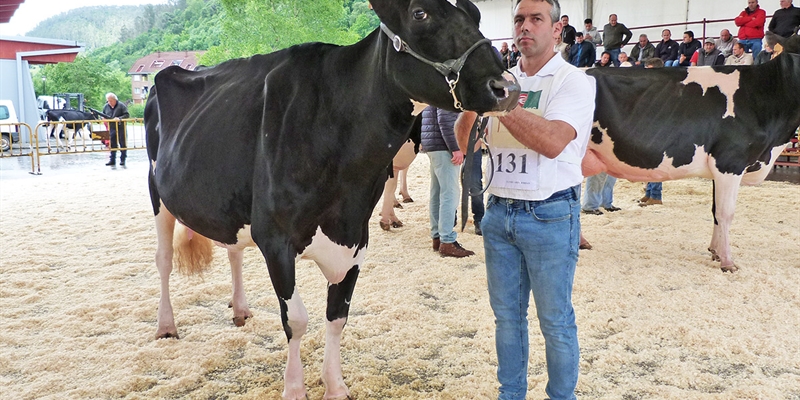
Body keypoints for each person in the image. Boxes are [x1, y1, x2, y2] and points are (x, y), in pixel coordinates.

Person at [454, 0, 595, 397]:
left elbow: (552, 141)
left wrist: (499, 101)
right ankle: (510, 393)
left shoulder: (572, 81)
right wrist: (471, 99)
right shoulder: (502, 77)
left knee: (555, 320)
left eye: (536, 19)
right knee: (507, 320)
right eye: (519, 19)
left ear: (556, 30)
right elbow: (464, 142)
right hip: (499, 212)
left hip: (550, 214)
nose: (525, 27)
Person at [421, 105, 474, 258]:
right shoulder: (447, 86)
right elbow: (445, 120)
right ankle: (447, 241)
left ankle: (437, 237)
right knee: (450, 193)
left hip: (433, 143)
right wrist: (455, 147)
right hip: (444, 146)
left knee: (437, 192)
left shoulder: (432, 87)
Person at [640, 58, 664, 206]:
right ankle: (649, 192)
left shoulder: (661, 85)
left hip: (658, 125)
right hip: (650, 124)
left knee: (655, 160)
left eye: (648, 68)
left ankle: (656, 195)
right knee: (648, 160)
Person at [103, 92, 129, 166]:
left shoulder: (121, 105)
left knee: (122, 143)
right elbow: (104, 114)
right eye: (108, 100)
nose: (109, 102)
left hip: (121, 127)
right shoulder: (106, 106)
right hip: (112, 127)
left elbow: (127, 115)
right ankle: (112, 160)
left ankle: (123, 160)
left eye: (110, 100)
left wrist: (119, 118)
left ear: (115, 100)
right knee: (113, 144)